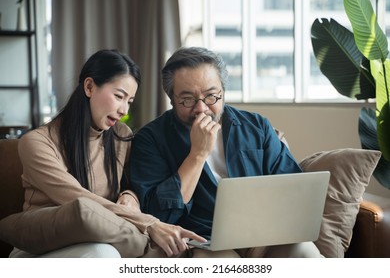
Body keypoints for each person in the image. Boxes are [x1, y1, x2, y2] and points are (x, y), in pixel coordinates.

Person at [128, 46, 323, 258]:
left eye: (211, 96)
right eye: (187, 99)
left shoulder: (257, 127)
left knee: (306, 253)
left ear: (223, 91)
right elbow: (158, 214)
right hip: (202, 242)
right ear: (171, 98)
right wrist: (197, 155)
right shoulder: (150, 139)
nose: (201, 108)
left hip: (265, 237)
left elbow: (294, 190)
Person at [8, 49, 205, 258]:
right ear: (89, 86)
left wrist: (130, 197)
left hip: (105, 239)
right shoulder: (37, 142)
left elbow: (132, 185)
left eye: (129, 101)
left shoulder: (120, 135)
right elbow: (77, 199)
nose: (124, 111)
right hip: (41, 248)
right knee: (103, 253)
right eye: (119, 96)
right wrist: (151, 224)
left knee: (109, 251)